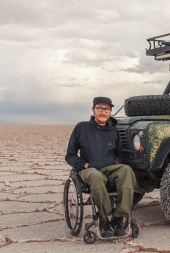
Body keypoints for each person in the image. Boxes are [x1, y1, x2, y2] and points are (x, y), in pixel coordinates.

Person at [65, 96, 135, 238]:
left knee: (126, 171)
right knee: (96, 176)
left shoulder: (114, 130)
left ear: (110, 111)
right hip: (89, 169)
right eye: (100, 109)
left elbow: (120, 154)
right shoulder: (81, 127)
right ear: (93, 110)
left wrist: (115, 162)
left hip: (108, 168)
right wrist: (83, 164)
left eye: (106, 109)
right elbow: (70, 155)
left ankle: (118, 218)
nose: (103, 112)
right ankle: (103, 219)